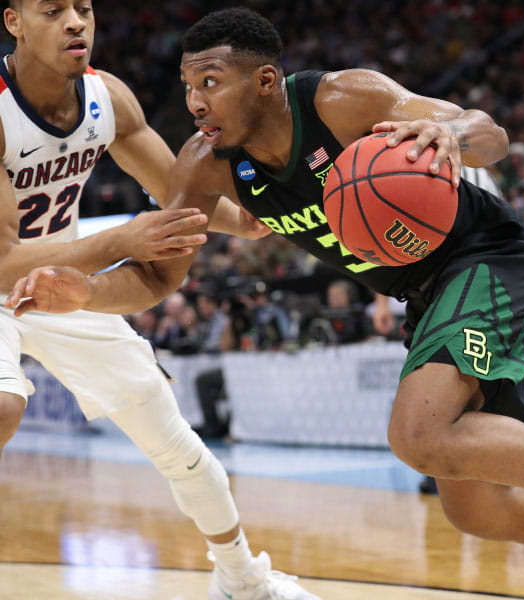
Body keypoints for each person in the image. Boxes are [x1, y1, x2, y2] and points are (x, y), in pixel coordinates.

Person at [8, 8, 524, 599]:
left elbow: (491, 133)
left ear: (264, 81)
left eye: (211, 82)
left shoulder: (343, 98)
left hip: (483, 259)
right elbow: (164, 279)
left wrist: (451, 133)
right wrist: (92, 293)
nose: (194, 102)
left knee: (415, 433)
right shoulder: (205, 165)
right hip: (424, 293)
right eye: (189, 84)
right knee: (479, 508)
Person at [0, 3, 317, 599]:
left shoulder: (108, 98)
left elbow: (175, 189)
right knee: (4, 405)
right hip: (7, 269)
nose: (76, 23)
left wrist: (242, 223)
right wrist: (122, 238)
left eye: (84, 9)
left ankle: (242, 579)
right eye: (53, 10)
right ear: (14, 21)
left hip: (59, 279)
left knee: (175, 443)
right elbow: (2, 263)